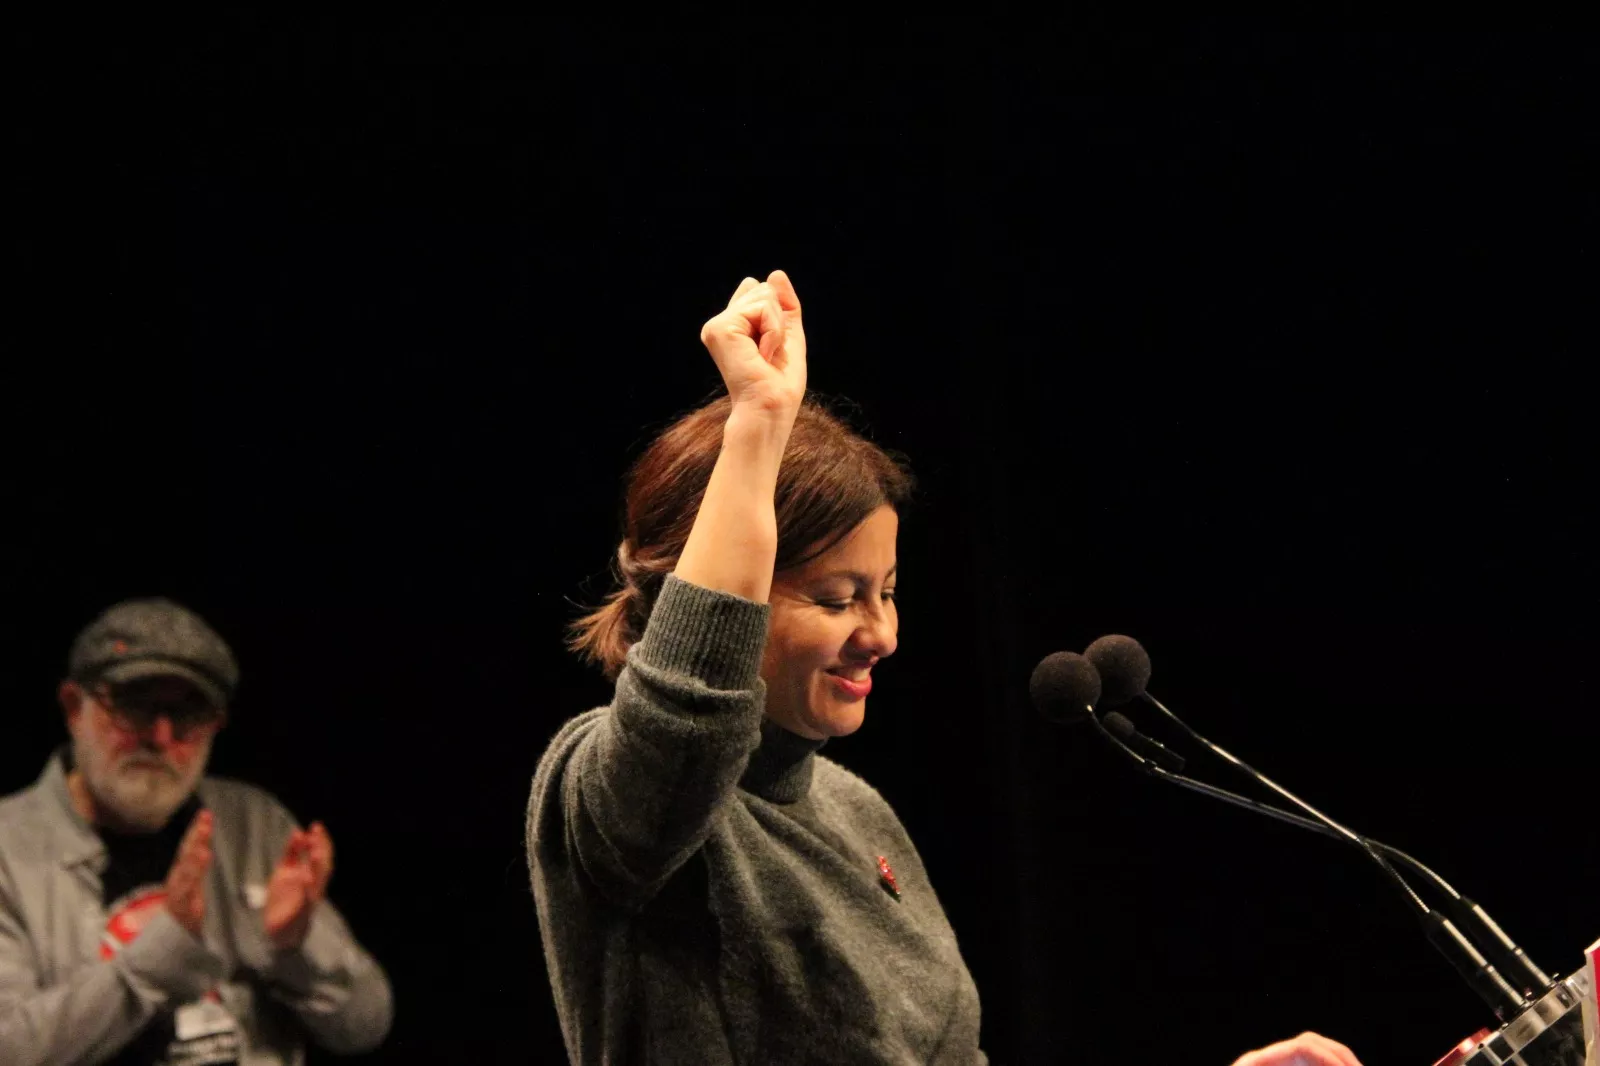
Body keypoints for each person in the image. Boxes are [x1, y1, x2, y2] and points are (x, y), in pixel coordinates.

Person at [527, 270, 1366, 1065]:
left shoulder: (858, 815)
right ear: (713, 596)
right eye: (836, 597)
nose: (882, 634)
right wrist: (756, 428)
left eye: (886, 593)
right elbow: (686, 721)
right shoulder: (607, 787)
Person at [0, 597, 393, 1066]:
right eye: (134, 706)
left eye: (188, 714)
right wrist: (161, 953)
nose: (161, 737)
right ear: (73, 707)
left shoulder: (252, 824)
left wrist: (296, 947)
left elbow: (366, 1025)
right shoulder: (8, 848)